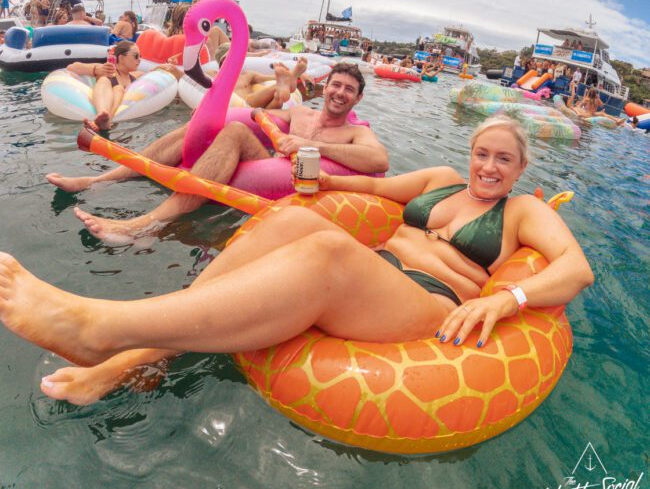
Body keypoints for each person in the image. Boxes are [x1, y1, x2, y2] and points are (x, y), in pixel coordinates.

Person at [2, 115, 593, 405]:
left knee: (331, 251)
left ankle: (98, 328)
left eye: (503, 161)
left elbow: (576, 268)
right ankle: (128, 361)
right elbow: (375, 191)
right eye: (482, 154)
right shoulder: (440, 182)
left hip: (429, 303)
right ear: (470, 155)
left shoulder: (521, 214)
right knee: (290, 221)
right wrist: (307, 182)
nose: (489, 168)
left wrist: (505, 296)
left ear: (520, 170)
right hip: (380, 269)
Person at [47, 63, 389, 242]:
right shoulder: (301, 114)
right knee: (198, 129)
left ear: (358, 99)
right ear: (325, 87)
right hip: (270, 160)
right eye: (336, 85)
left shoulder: (356, 132)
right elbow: (262, 114)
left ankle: (144, 225)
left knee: (235, 133)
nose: (340, 93)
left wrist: (311, 146)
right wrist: (257, 117)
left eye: (349, 90)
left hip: (286, 177)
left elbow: (379, 160)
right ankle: (97, 180)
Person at [65, 40, 180, 131]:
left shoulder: (135, 76)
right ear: (121, 57)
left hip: (120, 124)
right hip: (106, 110)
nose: (139, 60)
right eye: (136, 56)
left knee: (119, 89)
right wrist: (96, 70)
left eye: (140, 56)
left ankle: (106, 119)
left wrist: (168, 64)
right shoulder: (107, 69)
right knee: (107, 81)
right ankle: (102, 116)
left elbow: (154, 73)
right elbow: (71, 67)